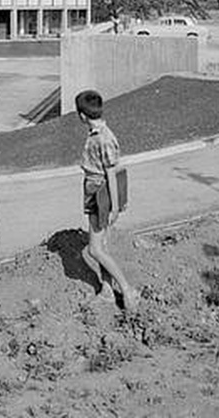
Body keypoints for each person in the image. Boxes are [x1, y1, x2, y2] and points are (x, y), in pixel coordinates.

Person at [75, 90, 139, 311]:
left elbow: (111, 172)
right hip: (96, 190)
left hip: (99, 193)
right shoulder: (98, 133)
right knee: (101, 244)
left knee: (94, 249)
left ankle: (127, 289)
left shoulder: (103, 138)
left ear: (82, 115)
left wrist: (112, 206)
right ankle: (106, 290)